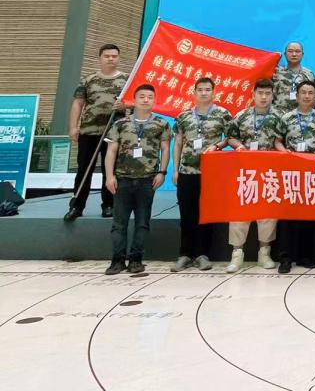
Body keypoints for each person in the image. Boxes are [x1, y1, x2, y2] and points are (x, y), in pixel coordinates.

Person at [102, 84, 170, 275]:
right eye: (142, 96)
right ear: (134, 99)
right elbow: (111, 151)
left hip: (147, 180)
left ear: (154, 100)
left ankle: (136, 260)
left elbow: (165, 149)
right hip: (122, 179)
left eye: (150, 97)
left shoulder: (161, 124)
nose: (146, 100)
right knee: (119, 224)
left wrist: (162, 172)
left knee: (142, 222)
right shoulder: (120, 124)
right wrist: (109, 176)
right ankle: (117, 260)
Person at [170, 77, 232, 272]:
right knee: (186, 215)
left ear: (214, 92)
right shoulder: (183, 116)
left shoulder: (222, 114)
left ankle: (202, 254)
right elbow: (178, 144)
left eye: (207, 89)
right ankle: (184, 254)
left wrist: (217, 146)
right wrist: (175, 170)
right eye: (200, 89)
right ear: (194, 92)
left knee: (206, 215)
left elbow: (230, 137)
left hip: (211, 173)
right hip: (187, 172)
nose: (204, 93)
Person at [224, 78, 285, 272]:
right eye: (260, 93)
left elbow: (282, 141)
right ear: (253, 94)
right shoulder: (241, 116)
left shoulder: (280, 117)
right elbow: (230, 137)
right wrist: (239, 146)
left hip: (269, 172)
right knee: (240, 211)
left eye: (268, 93)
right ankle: (236, 254)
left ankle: (264, 253)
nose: (264, 97)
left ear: (273, 95)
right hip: (245, 171)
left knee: (267, 213)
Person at [66, 43, 128, 222]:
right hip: (89, 131)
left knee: (111, 170)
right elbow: (78, 103)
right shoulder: (88, 80)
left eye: (114, 56)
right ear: (100, 58)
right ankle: (77, 206)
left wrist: (126, 105)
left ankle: (109, 205)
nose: (110, 59)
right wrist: (73, 127)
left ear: (118, 58)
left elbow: (136, 102)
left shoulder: (127, 80)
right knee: (84, 169)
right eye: (107, 56)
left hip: (114, 134)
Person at [274, 80, 315, 273]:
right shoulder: (286, 117)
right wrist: (284, 152)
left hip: (312, 173)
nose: (306, 96)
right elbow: (277, 141)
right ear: (297, 96)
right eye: (303, 92)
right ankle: (285, 257)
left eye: (310, 93)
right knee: (287, 215)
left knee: (308, 215)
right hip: (290, 172)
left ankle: (305, 255)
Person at [272, 41, 315, 112]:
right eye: (290, 51)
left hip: (301, 115)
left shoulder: (309, 74)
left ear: (302, 54)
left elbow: (313, 98)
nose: (294, 54)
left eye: (297, 51)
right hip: (279, 114)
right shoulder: (276, 72)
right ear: (285, 54)